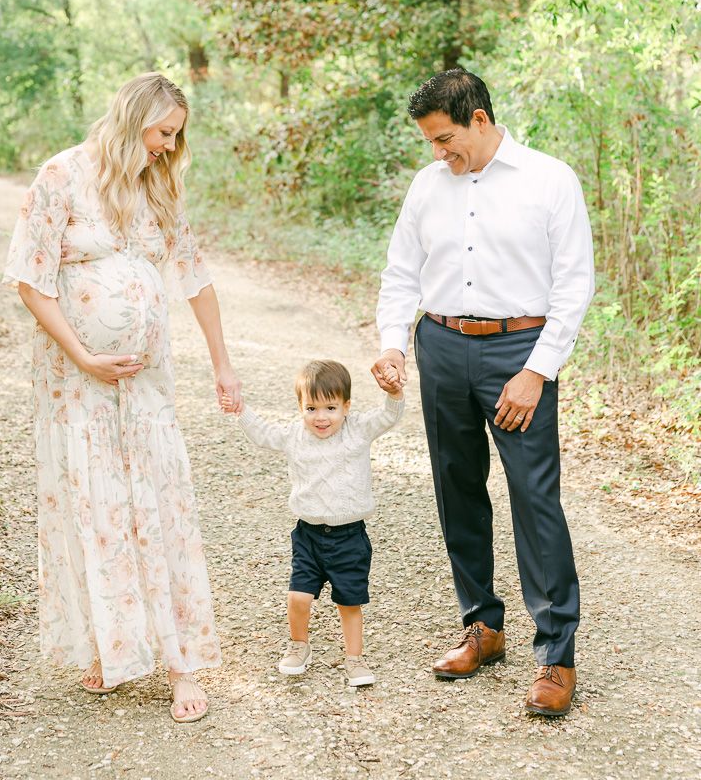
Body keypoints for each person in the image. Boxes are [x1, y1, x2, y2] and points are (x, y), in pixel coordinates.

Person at [3, 72, 241, 723]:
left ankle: (180, 662)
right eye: (164, 131)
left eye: (176, 136)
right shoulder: (62, 175)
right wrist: (82, 354)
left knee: (158, 501)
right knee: (95, 504)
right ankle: (112, 649)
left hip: (147, 383)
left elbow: (194, 276)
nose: (169, 146)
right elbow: (30, 278)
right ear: (134, 117)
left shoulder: (160, 185)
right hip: (74, 380)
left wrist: (222, 365)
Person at [372, 67, 594, 718]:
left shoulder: (550, 181)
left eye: (444, 140)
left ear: (478, 119)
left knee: (534, 499)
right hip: (441, 347)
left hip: (517, 354)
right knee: (456, 488)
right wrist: (394, 343)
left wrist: (537, 369)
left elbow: (573, 285)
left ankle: (555, 656)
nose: (438, 154)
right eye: (429, 144)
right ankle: (482, 627)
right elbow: (401, 273)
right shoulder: (426, 186)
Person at [223, 359, 404, 686]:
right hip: (308, 535)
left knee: (349, 602)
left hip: (349, 536)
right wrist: (241, 410)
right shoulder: (295, 435)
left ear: (346, 407)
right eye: (311, 408)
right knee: (298, 596)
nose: (321, 417)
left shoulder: (358, 429)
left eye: (331, 408)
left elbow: (389, 415)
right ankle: (299, 646)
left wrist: (393, 392)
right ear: (300, 407)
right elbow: (263, 434)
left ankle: (354, 659)